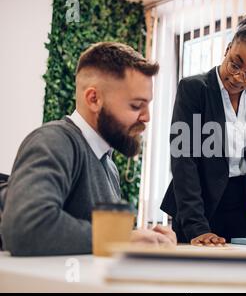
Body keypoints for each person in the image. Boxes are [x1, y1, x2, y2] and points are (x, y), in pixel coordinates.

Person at [0, 42, 176, 256]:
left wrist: (148, 239)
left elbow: (95, 239)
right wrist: (122, 240)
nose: (147, 117)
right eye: (136, 106)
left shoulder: (108, 165)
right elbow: (26, 228)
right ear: (94, 99)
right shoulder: (54, 141)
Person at [161, 10, 246, 246]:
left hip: (240, 207)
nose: (239, 78)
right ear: (227, 49)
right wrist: (197, 226)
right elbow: (183, 159)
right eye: (235, 64)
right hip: (197, 207)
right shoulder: (193, 89)